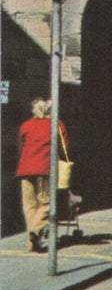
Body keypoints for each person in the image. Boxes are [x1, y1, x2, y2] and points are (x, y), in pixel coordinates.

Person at [17, 97, 67, 253]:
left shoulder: (25, 125)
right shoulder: (55, 124)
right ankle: (36, 230)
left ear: (33, 110)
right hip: (44, 168)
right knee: (45, 203)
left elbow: (21, 147)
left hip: (25, 169)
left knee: (29, 206)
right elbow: (65, 145)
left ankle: (34, 242)